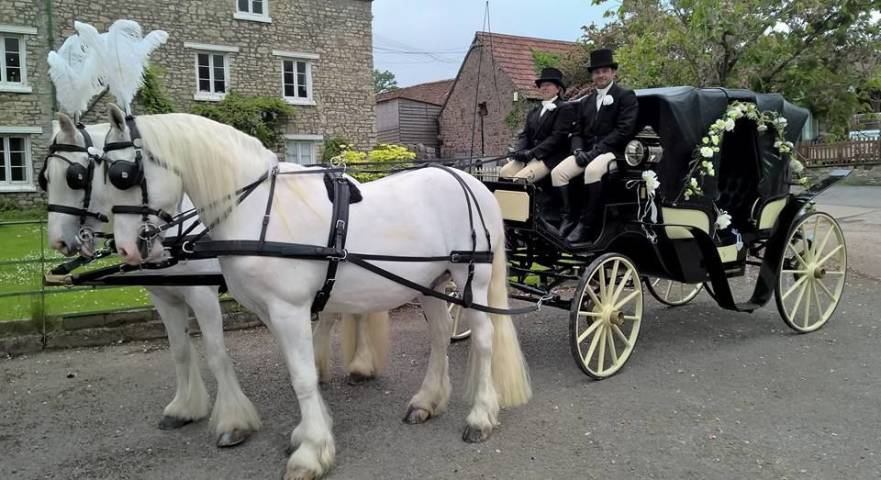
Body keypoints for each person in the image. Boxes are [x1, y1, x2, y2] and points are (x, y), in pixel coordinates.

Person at [548, 48, 639, 244]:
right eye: (597, 72)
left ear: (613, 73)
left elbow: (623, 131)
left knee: (592, 170)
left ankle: (586, 224)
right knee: (558, 173)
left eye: (604, 71)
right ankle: (568, 217)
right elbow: (577, 132)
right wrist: (578, 150)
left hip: (614, 152)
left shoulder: (625, 96)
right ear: (592, 76)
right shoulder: (586, 102)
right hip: (587, 151)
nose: (600, 75)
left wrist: (595, 152)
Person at [499, 67, 575, 184]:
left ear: (558, 89)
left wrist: (533, 153)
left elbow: (557, 137)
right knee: (504, 173)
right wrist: (519, 150)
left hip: (549, 157)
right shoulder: (534, 111)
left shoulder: (564, 108)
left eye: (548, 85)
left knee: (520, 179)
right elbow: (525, 134)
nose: (544, 88)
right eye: (542, 85)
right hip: (529, 155)